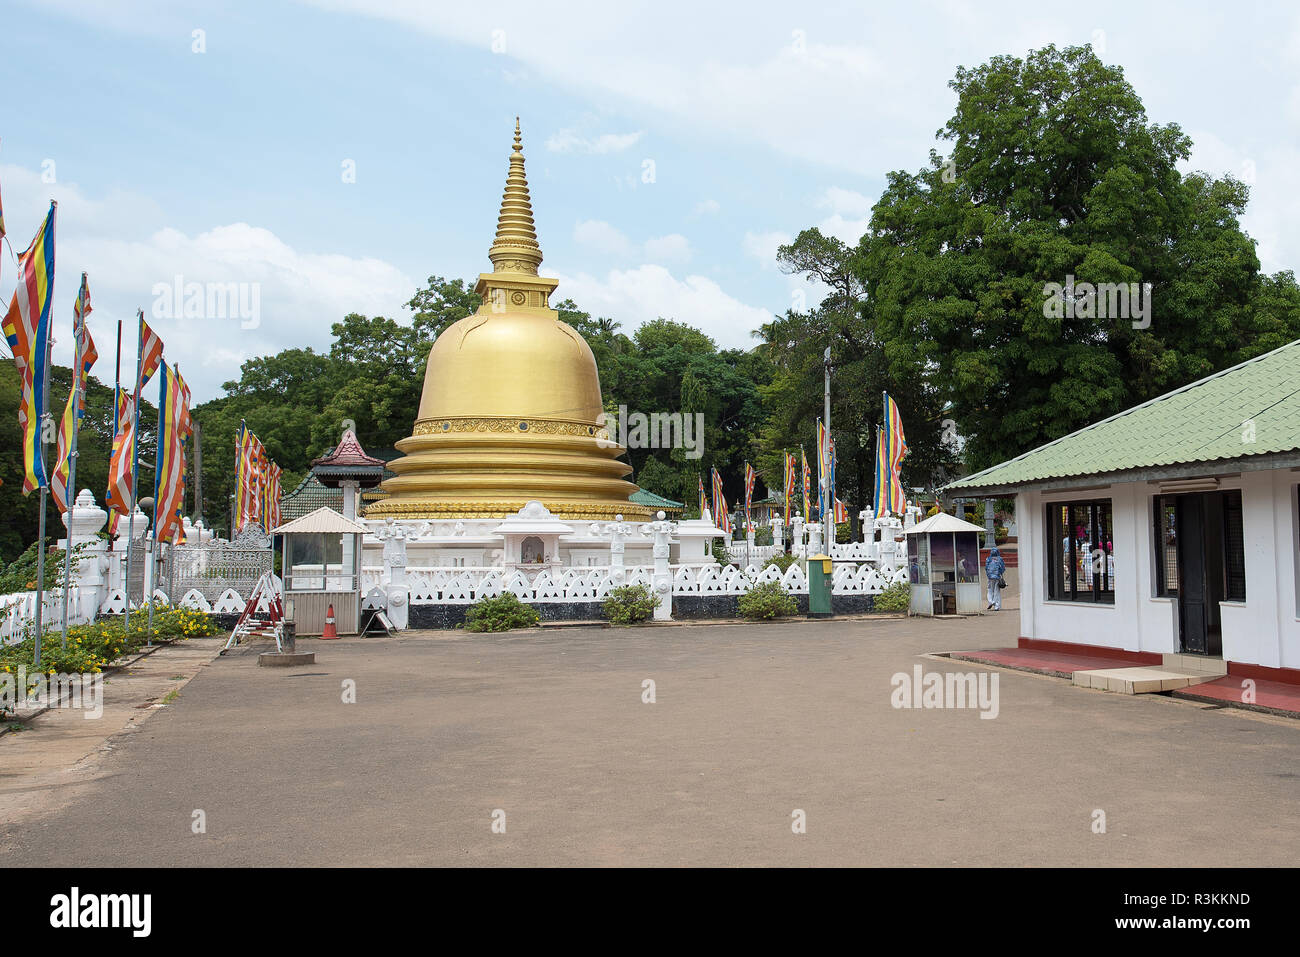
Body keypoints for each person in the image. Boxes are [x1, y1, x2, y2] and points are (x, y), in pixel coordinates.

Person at [985, 545, 1006, 611]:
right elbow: (1003, 568)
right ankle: (996, 605)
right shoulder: (1000, 559)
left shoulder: (988, 559)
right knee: (996, 591)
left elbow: (986, 568)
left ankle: (991, 601)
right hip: (997, 576)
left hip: (990, 577)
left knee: (989, 590)